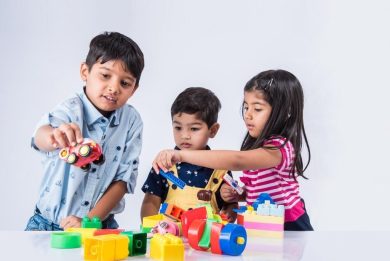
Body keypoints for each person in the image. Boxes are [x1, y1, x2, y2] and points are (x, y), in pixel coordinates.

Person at [153, 70, 314, 231]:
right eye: (246, 107)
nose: (248, 115)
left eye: (257, 109)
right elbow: (263, 190)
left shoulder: (280, 148)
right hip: (263, 224)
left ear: (285, 112)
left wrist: (181, 155)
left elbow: (238, 160)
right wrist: (241, 195)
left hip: (290, 225)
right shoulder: (262, 146)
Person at [25, 32, 145, 231]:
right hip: (48, 225)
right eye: (105, 75)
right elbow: (40, 136)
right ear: (85, 72)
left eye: (125, 83)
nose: (114, 88)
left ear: (134, 89)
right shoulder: (70, 109)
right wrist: (54, 136)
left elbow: (123, 180)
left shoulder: (131, 121)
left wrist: (89, 221)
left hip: (99, 226)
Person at [141, 87, 238, 222]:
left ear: (213, 130)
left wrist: (230, 210)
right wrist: (150, 230)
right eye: (178, 128)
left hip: (206, 240)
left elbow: (231, 205)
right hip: (169, 239)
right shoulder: (164, 164)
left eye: (194, 129)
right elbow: (150, 202)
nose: (185, 136)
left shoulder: (221, 169)